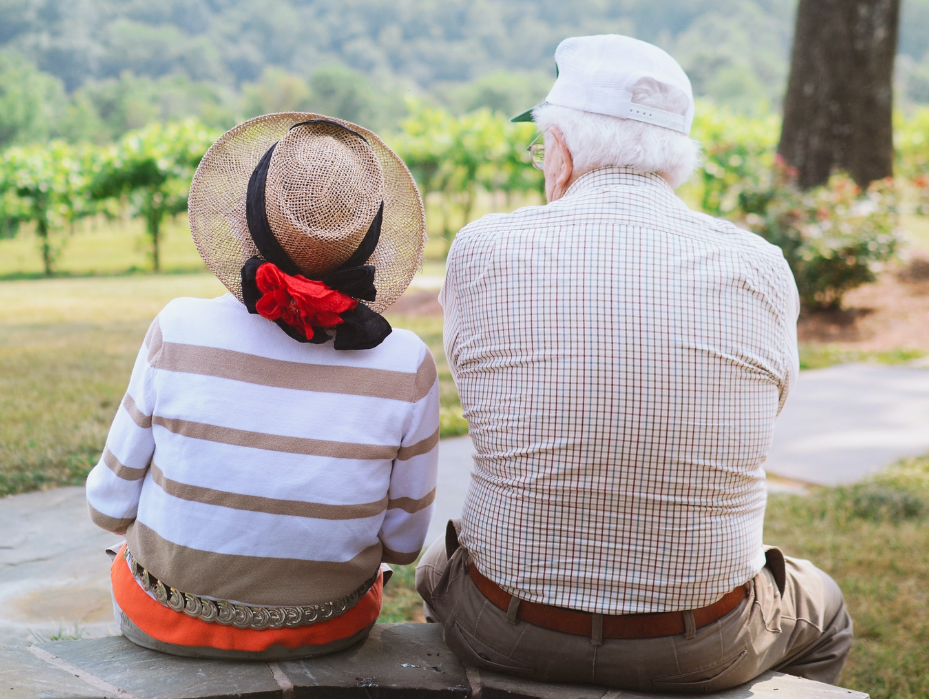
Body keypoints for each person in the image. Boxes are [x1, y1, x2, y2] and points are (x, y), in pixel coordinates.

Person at [416, 35, 853, 691]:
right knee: (829, 610)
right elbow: (769, 407)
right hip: (706, 641)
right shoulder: (760, 264)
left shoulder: (484, 247)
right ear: (675, 157)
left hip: (504, 626)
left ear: (561, 147)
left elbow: (482, 389)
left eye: (541, 145)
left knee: (435, 568)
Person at [87, 113, 439, 660]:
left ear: (248, 219)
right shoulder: (406, 362)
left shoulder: (178, 328)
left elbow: (108, 504)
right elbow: (405, 545)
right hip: (328, 628)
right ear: (368, 241)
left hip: (164, 617)